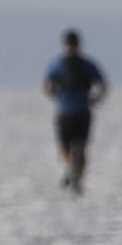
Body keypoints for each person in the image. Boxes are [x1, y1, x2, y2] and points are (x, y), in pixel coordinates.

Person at [44, 30, 107, 193]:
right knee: (79, 148)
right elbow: (103, 85)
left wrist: (56, 96)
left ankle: (71, 174)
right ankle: (75, 177)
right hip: (81, 112)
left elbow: (46, 85)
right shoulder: (87, 65)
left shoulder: (58, 64)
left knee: (68, 149)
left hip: (65, 112)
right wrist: (95, 99)